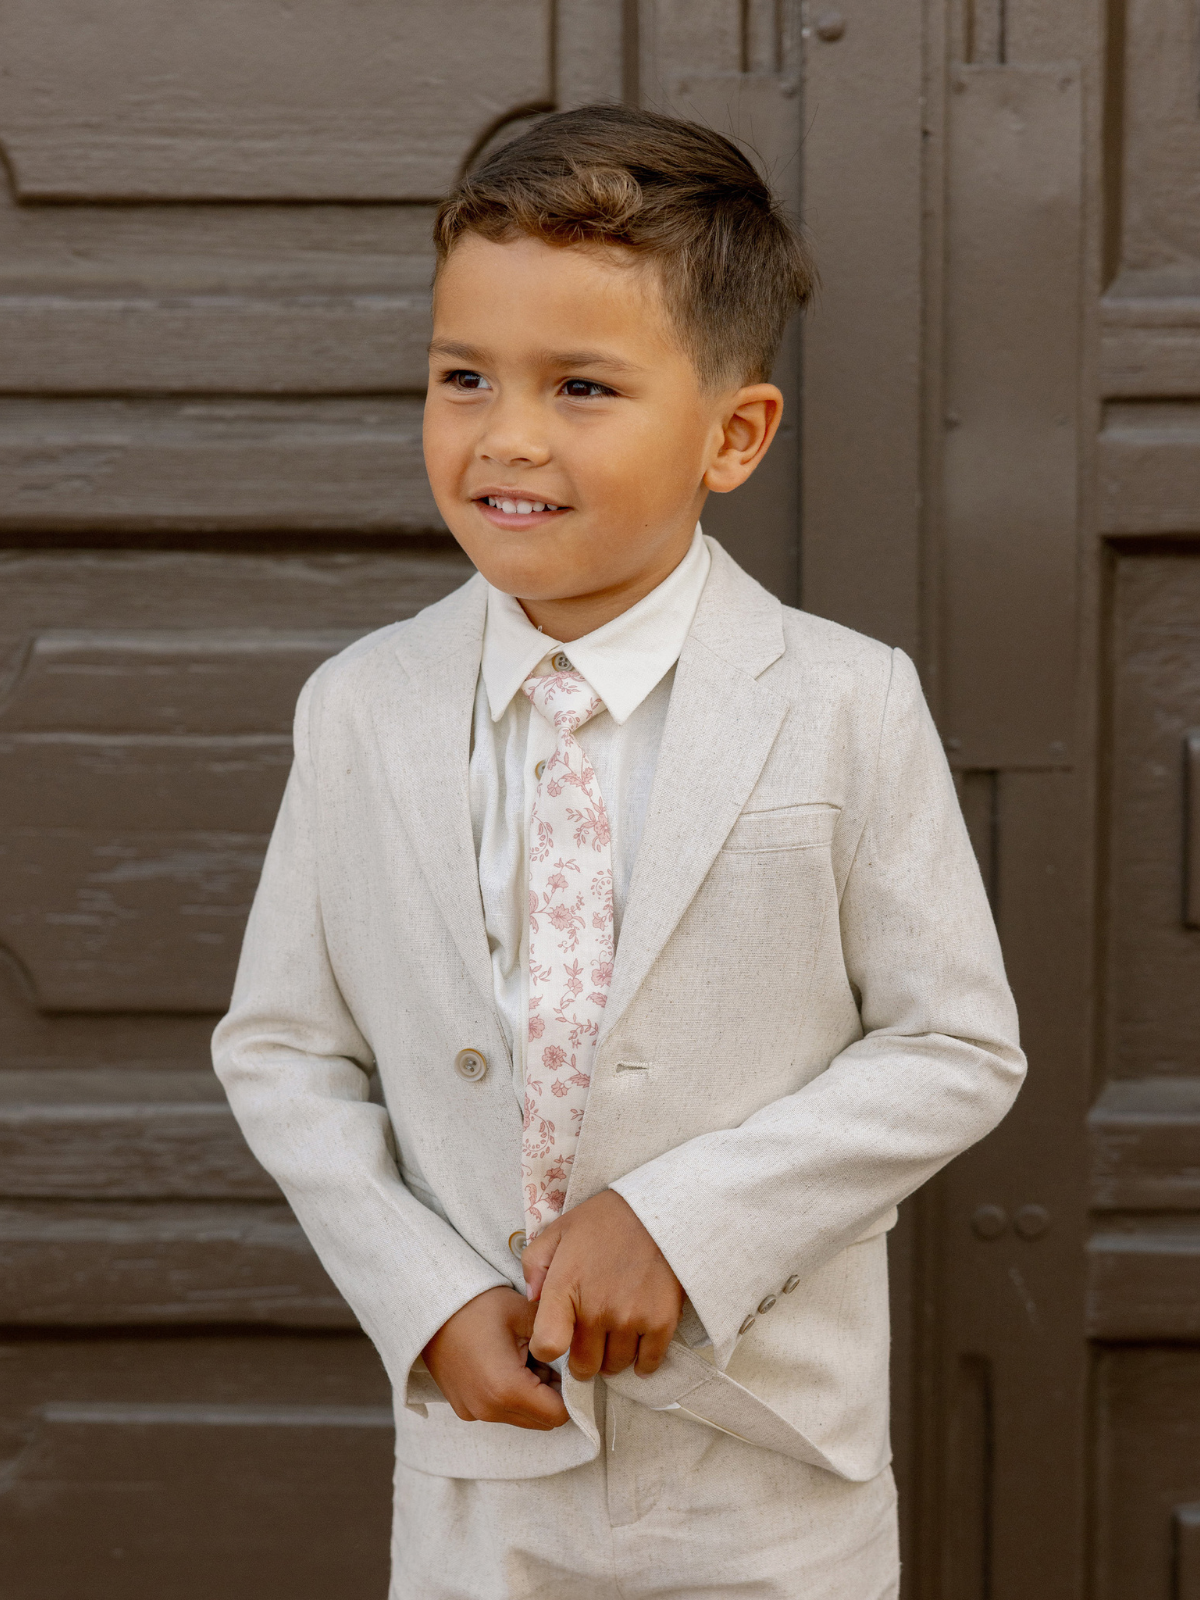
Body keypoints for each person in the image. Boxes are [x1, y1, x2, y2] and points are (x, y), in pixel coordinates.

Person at [213, 104, 1025, 1599]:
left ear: (734, 434)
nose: (505, 436)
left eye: (581, 385)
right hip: (482, 1460)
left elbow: (955, 1041)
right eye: (465, 377)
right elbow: (282, 1049)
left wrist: (685, 1221)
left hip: (772, 1468)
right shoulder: (360, 711)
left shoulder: (849, 702)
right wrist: (422, 1294)